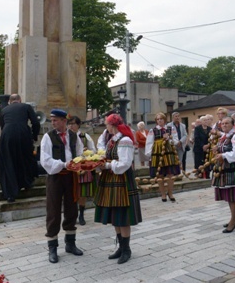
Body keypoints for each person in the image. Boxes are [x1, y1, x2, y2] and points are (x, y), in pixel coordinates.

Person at [94, 114, 142, 264]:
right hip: (111, 179)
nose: (105, 128)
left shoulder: (125, 140)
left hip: (121, 180)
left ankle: (126, 249)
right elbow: (101, 145)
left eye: (107, 124)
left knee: (123, 217)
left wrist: (107, 165)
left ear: (112, 125)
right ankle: (121, 247)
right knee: (115, 216)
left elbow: (125, 164)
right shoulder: (113, 139)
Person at [40, 109, 84, 263]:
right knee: (53, 210)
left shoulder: (74, 136)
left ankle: (70, 244)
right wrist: (64, 164)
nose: (53, 123)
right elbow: (45, 160)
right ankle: (52, 247)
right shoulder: (48, 137)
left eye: (56, 120)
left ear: (64, 121)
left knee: (72, 208)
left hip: (71, 177)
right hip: (56, 177)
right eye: (52, 120)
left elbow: (79, 154)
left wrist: (81, 163)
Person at [0, 94, 40, 203]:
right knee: (25, 159)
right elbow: (35, 123)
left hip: (7, 135)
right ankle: (26, 183)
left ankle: (10, 194)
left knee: (8, 161)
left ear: (10, 102)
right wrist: (34, 136)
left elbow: (1, 125)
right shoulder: (26, 107)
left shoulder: (4, 110)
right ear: (20, 100)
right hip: (23, 134)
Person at [67, 116, 96, 226]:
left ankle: (81, 214)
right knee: (71, 192)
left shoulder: (85, 136)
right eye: (69, 123)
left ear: (78, 125)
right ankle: (72, 214)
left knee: (82, 192)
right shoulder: (65, 137)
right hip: (70, 168)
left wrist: (86, 151)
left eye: (73, 123)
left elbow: (93, 150)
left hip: (82, 168)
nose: (71, 126)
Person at [145, 112, 181, 202]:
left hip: (169, 154)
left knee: (170, 174)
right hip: (157, 154)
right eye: (158, 119)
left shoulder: (170, 128)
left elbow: (176, 141)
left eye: (161, 119)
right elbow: (149, 143)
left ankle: (170, 192)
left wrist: (169, 138)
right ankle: (163, 194)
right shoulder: (152, 130)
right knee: (160, 175)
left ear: (164, 120)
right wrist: (149, 155)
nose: (159, 120)